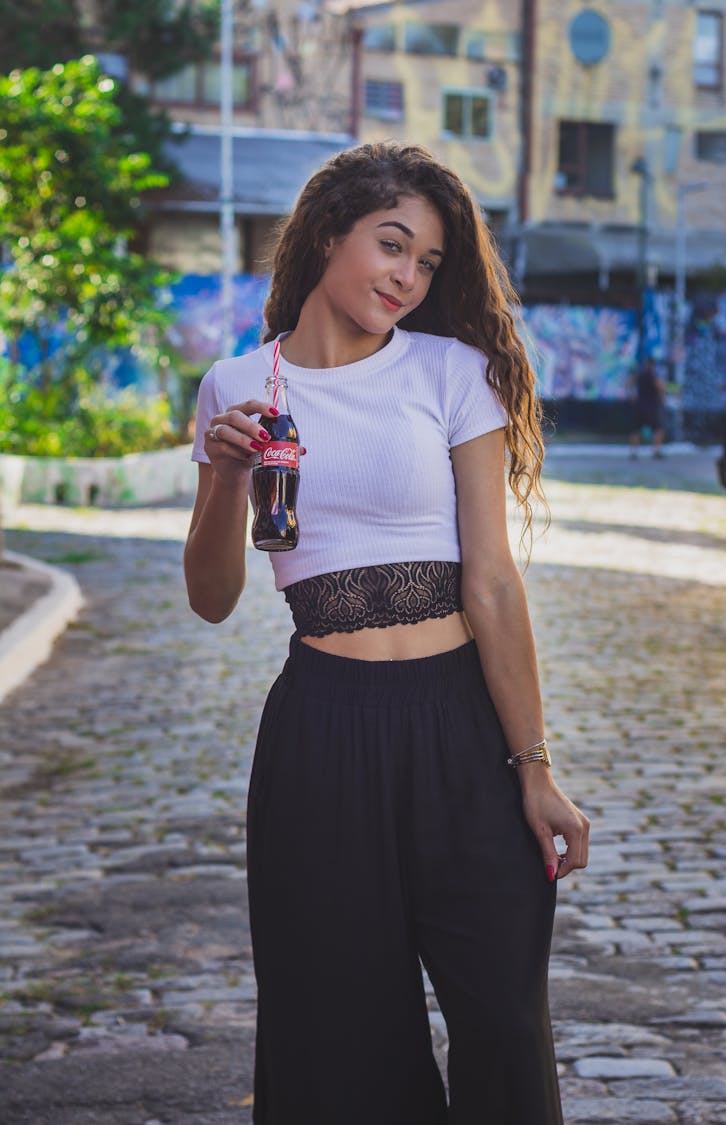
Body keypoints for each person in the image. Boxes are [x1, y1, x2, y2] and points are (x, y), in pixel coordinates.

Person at [184, 141, 590, 1125]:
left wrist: (533, 766)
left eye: (427, 262)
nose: (407, 277)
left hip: (459, 725)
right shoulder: (236, 384)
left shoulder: (454, 372)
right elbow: (209, 596)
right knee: (338, 1034)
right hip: (321, 732)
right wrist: (225, 478)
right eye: (392, 245)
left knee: (501, 1019)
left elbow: (491, 582)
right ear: (330, 234)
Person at [629, 356, 666, 458]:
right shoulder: (653, 375)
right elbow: (660, 387)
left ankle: (633, 453)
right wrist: (663, 398)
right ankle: (656, 451)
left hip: (639, 406)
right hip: (651, 407)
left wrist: (631, 396)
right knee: (658, 429)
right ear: (653, 365)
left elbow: (629, 383)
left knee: (635, 430)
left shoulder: (640, 374)